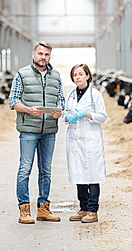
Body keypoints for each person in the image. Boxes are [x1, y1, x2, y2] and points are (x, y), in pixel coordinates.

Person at [9, 41, 65, 224]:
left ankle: (43, 208)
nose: (43, 57)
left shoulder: (56, 75)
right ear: (33, 54)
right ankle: (24, 209)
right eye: (40, 53)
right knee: (25, 169)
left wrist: (59, 109)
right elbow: (13, 101)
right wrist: (27, 109)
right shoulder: (21, 74)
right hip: (29, 130)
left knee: (46, 170)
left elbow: (60, 98)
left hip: (49, 129)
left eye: (47, 54)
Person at [63, 63, 107, 223]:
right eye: (75, 75)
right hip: (74, 140)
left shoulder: (95, 95)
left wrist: (87, 114)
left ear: (88, 76)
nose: (78, 77)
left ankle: (92, 210)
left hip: (91, 139)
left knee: (92, 174)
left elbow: (102, 116)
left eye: (81, 74)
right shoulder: (70, 95)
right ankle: (83, 208)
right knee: (79, 173)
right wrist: (67, 117)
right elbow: (64, 115)